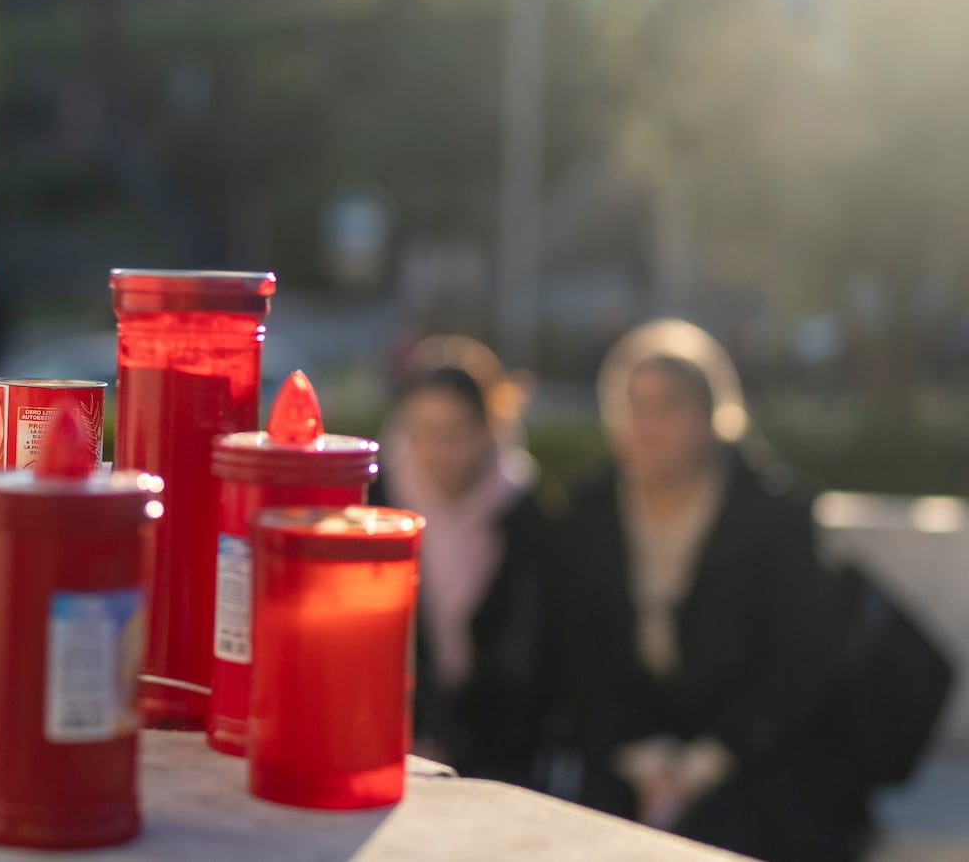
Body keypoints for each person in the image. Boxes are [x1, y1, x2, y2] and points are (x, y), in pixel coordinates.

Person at [546, 320, 869, 861]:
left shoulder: (774, 515)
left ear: (711, 417)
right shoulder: (589, 511)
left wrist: (700, 767)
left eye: (666, 407)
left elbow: (797, 663)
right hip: (627, 749)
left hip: (750, 756)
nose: (645, 426)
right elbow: (577, 652)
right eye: (633, 405)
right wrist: (644, 757)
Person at [372, 336, 550, 784]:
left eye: (454, 432)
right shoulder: (377, 506)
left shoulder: (524, 513)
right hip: (395, 738)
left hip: (498, 754)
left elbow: (529, 657)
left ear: (486, 431)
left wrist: (458, 744)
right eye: (424, 431)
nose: (437, 450)